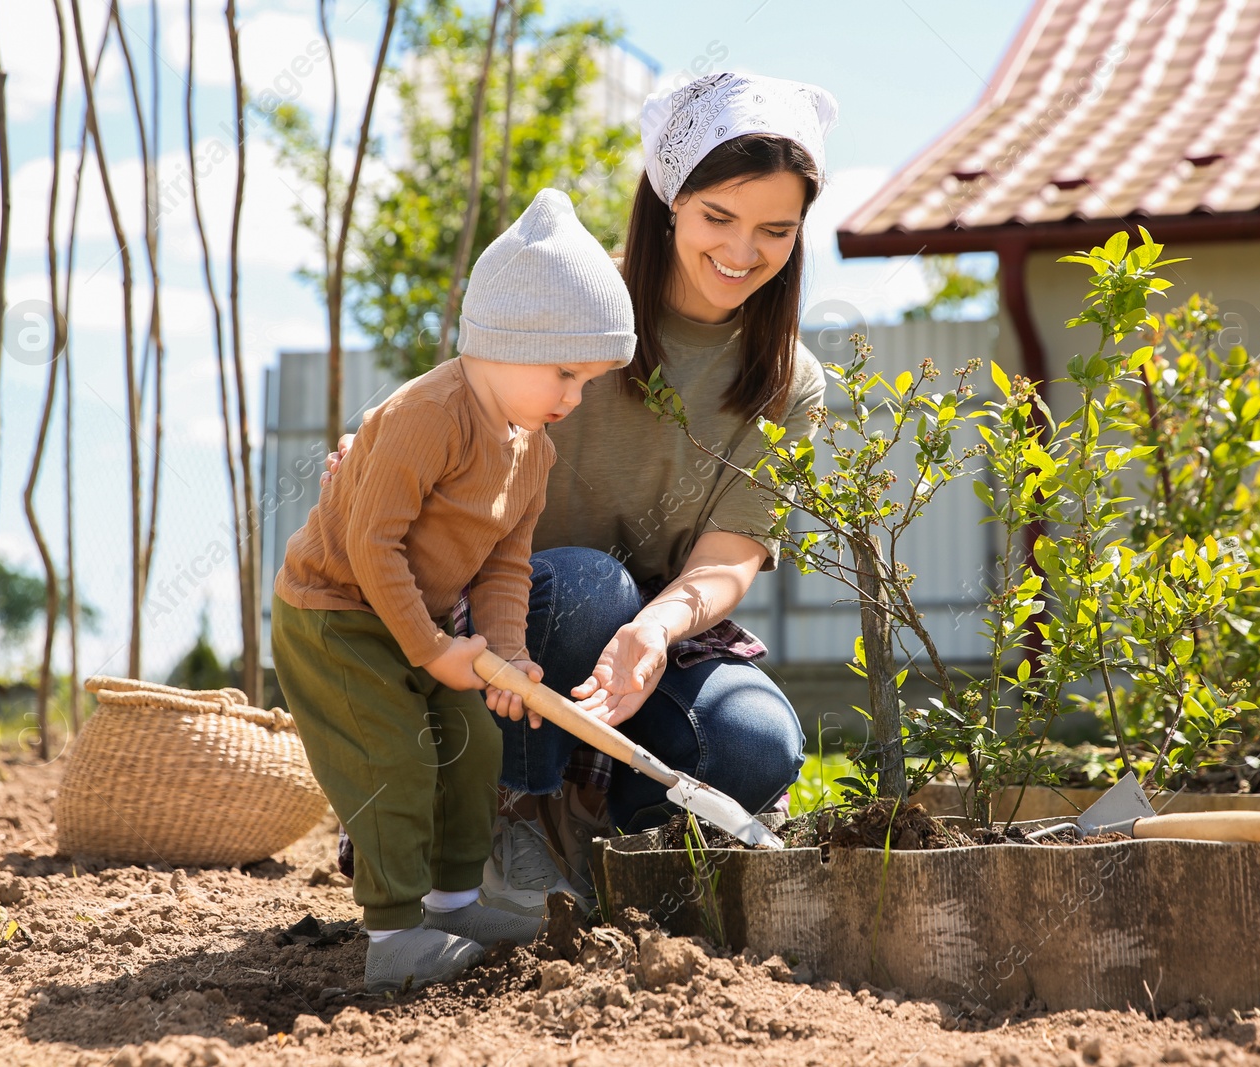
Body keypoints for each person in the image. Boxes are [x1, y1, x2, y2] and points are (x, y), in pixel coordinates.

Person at [326, 72, 839, 912]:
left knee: (757, 742)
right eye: (718, 218)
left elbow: (730, 553)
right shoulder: (578, 298)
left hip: (635, 646)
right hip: (509, 623)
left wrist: (656, 625)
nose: (743, 252)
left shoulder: (787, 381)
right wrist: (378, 448)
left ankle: (604, 843)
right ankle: (500, 824)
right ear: (670, 200)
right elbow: (453, 397)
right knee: (591, 585)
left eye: (775, 230)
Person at [270, 189, 633, 993]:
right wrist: (433, 650)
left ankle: (457, 900)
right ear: (505, 341)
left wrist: (504, 653)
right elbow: (372, 543)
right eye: (566, 373)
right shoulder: (427, 415)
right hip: (335, 613)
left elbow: (505, 562)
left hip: (418, 621)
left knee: (473, 744)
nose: (574, 399)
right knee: (395, 757)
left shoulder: (529, 449)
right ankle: (394, 931)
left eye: (588, 382)